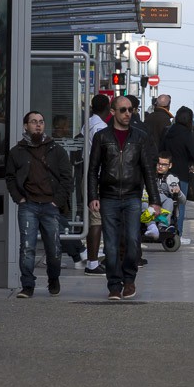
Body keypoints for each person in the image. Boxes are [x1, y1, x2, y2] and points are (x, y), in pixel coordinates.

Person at [88, 96, 161, 300]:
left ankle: (129, 280)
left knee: (132, 240)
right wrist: (93, 196)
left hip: (132, 196)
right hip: (109, 196)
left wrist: (155, 200)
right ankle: (114, 285)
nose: (128, 113)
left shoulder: (139, 137)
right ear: (113, 112)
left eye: (130, 110)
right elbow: (93, 169)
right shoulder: (102, 137)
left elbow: (148, 169)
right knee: (110, 244)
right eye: (123, 110)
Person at [6, 112, 73, 297]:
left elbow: (67, 178)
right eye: (34, 122)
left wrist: (56, 201)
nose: (38, 125)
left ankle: (54, 278)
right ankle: (27, 285)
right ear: (25, 126)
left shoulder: (55, 150)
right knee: (27, 247)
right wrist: (18, 197)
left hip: (50, 205)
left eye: (41, 122)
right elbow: (10, 178)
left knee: (54, 248)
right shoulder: (17, 151)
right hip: (28, 205)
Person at [81, 94, 111, 275]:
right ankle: (92, 263)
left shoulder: (88, 123)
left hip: (87, 173)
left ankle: (97, 259)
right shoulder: (101, 127)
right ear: (107, 109)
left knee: (96, 220)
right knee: (97, 221)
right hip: (98, 176)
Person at [162, 106, 194, 243]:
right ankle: (178, 234)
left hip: (167, 174)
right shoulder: (187, 133)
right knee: (180, 203)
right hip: (182, 174)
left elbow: (162, 150)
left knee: (167, 203)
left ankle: (165, 230)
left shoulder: (168, 131)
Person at [145, 153, 185, 239]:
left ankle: (162, 226)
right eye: (158, 164)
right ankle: (152, 226)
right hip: (148, 205)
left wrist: (178, 193)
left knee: (169, 201)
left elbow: (183, 201)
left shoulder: (172, 178)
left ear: (170, 165)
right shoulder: (148, 175)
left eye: (164, 165)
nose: (160, 167)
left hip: (163, 208)